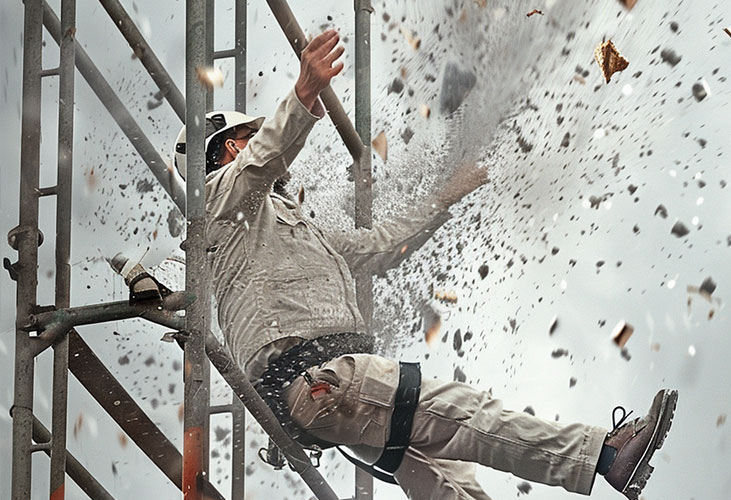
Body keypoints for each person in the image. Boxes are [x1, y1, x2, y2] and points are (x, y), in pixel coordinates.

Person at [119, 29, 677, 500]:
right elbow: (264, 161)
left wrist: (444, 198)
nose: (251, 145)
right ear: (219, 155)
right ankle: (604, 456)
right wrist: (304, 94)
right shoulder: (217, 204)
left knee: (447, 484)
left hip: (332, 387)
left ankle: (597, 459)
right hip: (319, 381)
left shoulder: (299, 227)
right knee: (464, 413)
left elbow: (385, 244)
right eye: (240, 138)